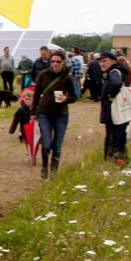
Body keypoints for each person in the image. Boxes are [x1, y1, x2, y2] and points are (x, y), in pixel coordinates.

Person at [31, 49, 77, 179]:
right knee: (46, 144)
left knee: (57, 145)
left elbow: (74, 96)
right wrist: (33, 111)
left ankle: (54, 172)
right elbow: (36, 93)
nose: (55, 64)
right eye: (53, 61)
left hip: (61, 114)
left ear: (63, 62)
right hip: (44, 113)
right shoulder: (43, 75)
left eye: (58, 61)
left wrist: (66, 99)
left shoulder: (67, 78)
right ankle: (45, 166)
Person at [98, 52, 130, 164]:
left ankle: (116, 162)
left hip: (115, 113)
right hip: (117, 113)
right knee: (118, 138)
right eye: (100, 61)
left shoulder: (114, 72)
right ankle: (119, 160)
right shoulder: (116, 71)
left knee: (115, 139)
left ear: (113, 61)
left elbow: (116, 84)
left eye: (104, 61)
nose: (102, 63)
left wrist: (111, 96)